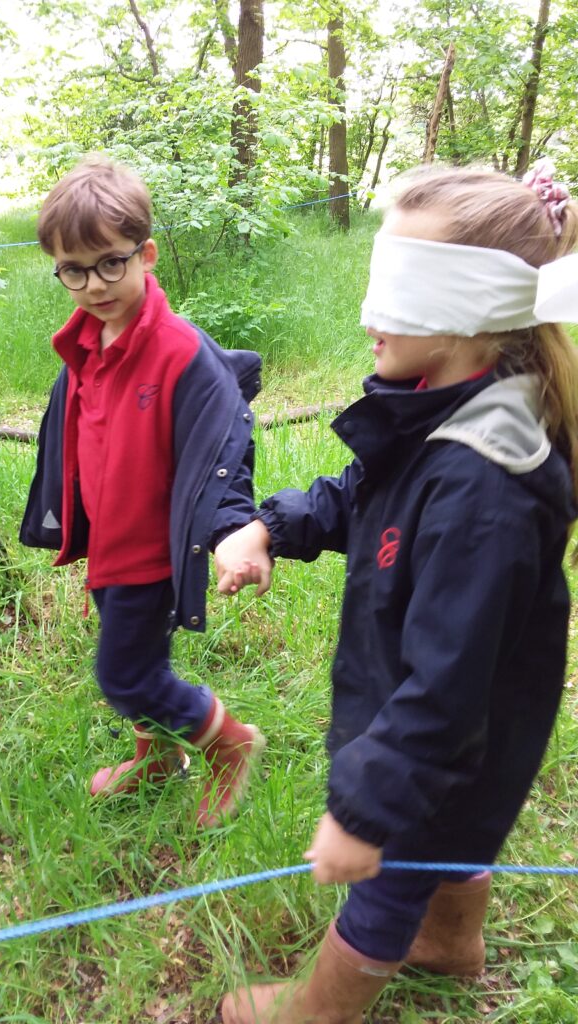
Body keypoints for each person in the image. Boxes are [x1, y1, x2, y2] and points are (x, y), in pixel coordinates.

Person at [213, 160, 578, 1022]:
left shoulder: (484, 486)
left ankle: (317, 1010)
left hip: (449, 749)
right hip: (464, 754)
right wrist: (276, 526)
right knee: (451, 838)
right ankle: (452, 942)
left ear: (465, 309)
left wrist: (363, 814)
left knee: (396, 866)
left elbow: (444, 699)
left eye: (398, 290)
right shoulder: (446, 404)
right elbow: (369, 491)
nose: (372, 314)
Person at [19, 156, 265, 829]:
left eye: (110, 264)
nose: (93, 284)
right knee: (139, 661)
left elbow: (226, 451)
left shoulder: (180, 353)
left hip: (154, 553)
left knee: (125, 676)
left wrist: (227, 533)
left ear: (146, 255)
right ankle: (157, 760)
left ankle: (229, 743)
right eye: (73, 268)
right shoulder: (86, 343)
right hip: (108, 543)